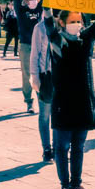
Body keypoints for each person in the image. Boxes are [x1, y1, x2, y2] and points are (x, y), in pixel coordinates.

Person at [46, 9, 95, 189]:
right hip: (64, 102)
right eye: (72, 20)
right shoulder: (58, 41)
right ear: (63, 23)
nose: (77, 24)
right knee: (61, 147)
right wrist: (47, 1)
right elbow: (49, 24)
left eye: (79, 20)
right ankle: (65, 186)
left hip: (84, 100)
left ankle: (76, 182)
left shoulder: (87, 38)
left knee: (79, 147)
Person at [13, 0, 47, 113]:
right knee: (26, 74)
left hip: (39, 45)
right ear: (26, 1)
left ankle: (42, 99)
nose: (33, 0)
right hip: (26, 46)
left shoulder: (39, 9)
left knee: (41, 72)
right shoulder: (21, 11)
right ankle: (28, 101)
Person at [30, 9, 55, 162]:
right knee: (45, 114)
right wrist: (35, 76)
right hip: (46, 76)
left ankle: (59, 146)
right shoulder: (40, 28)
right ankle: (47, 148)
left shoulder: (65, 23)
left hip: (62, 76)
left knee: (61, 114)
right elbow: (35, 53)